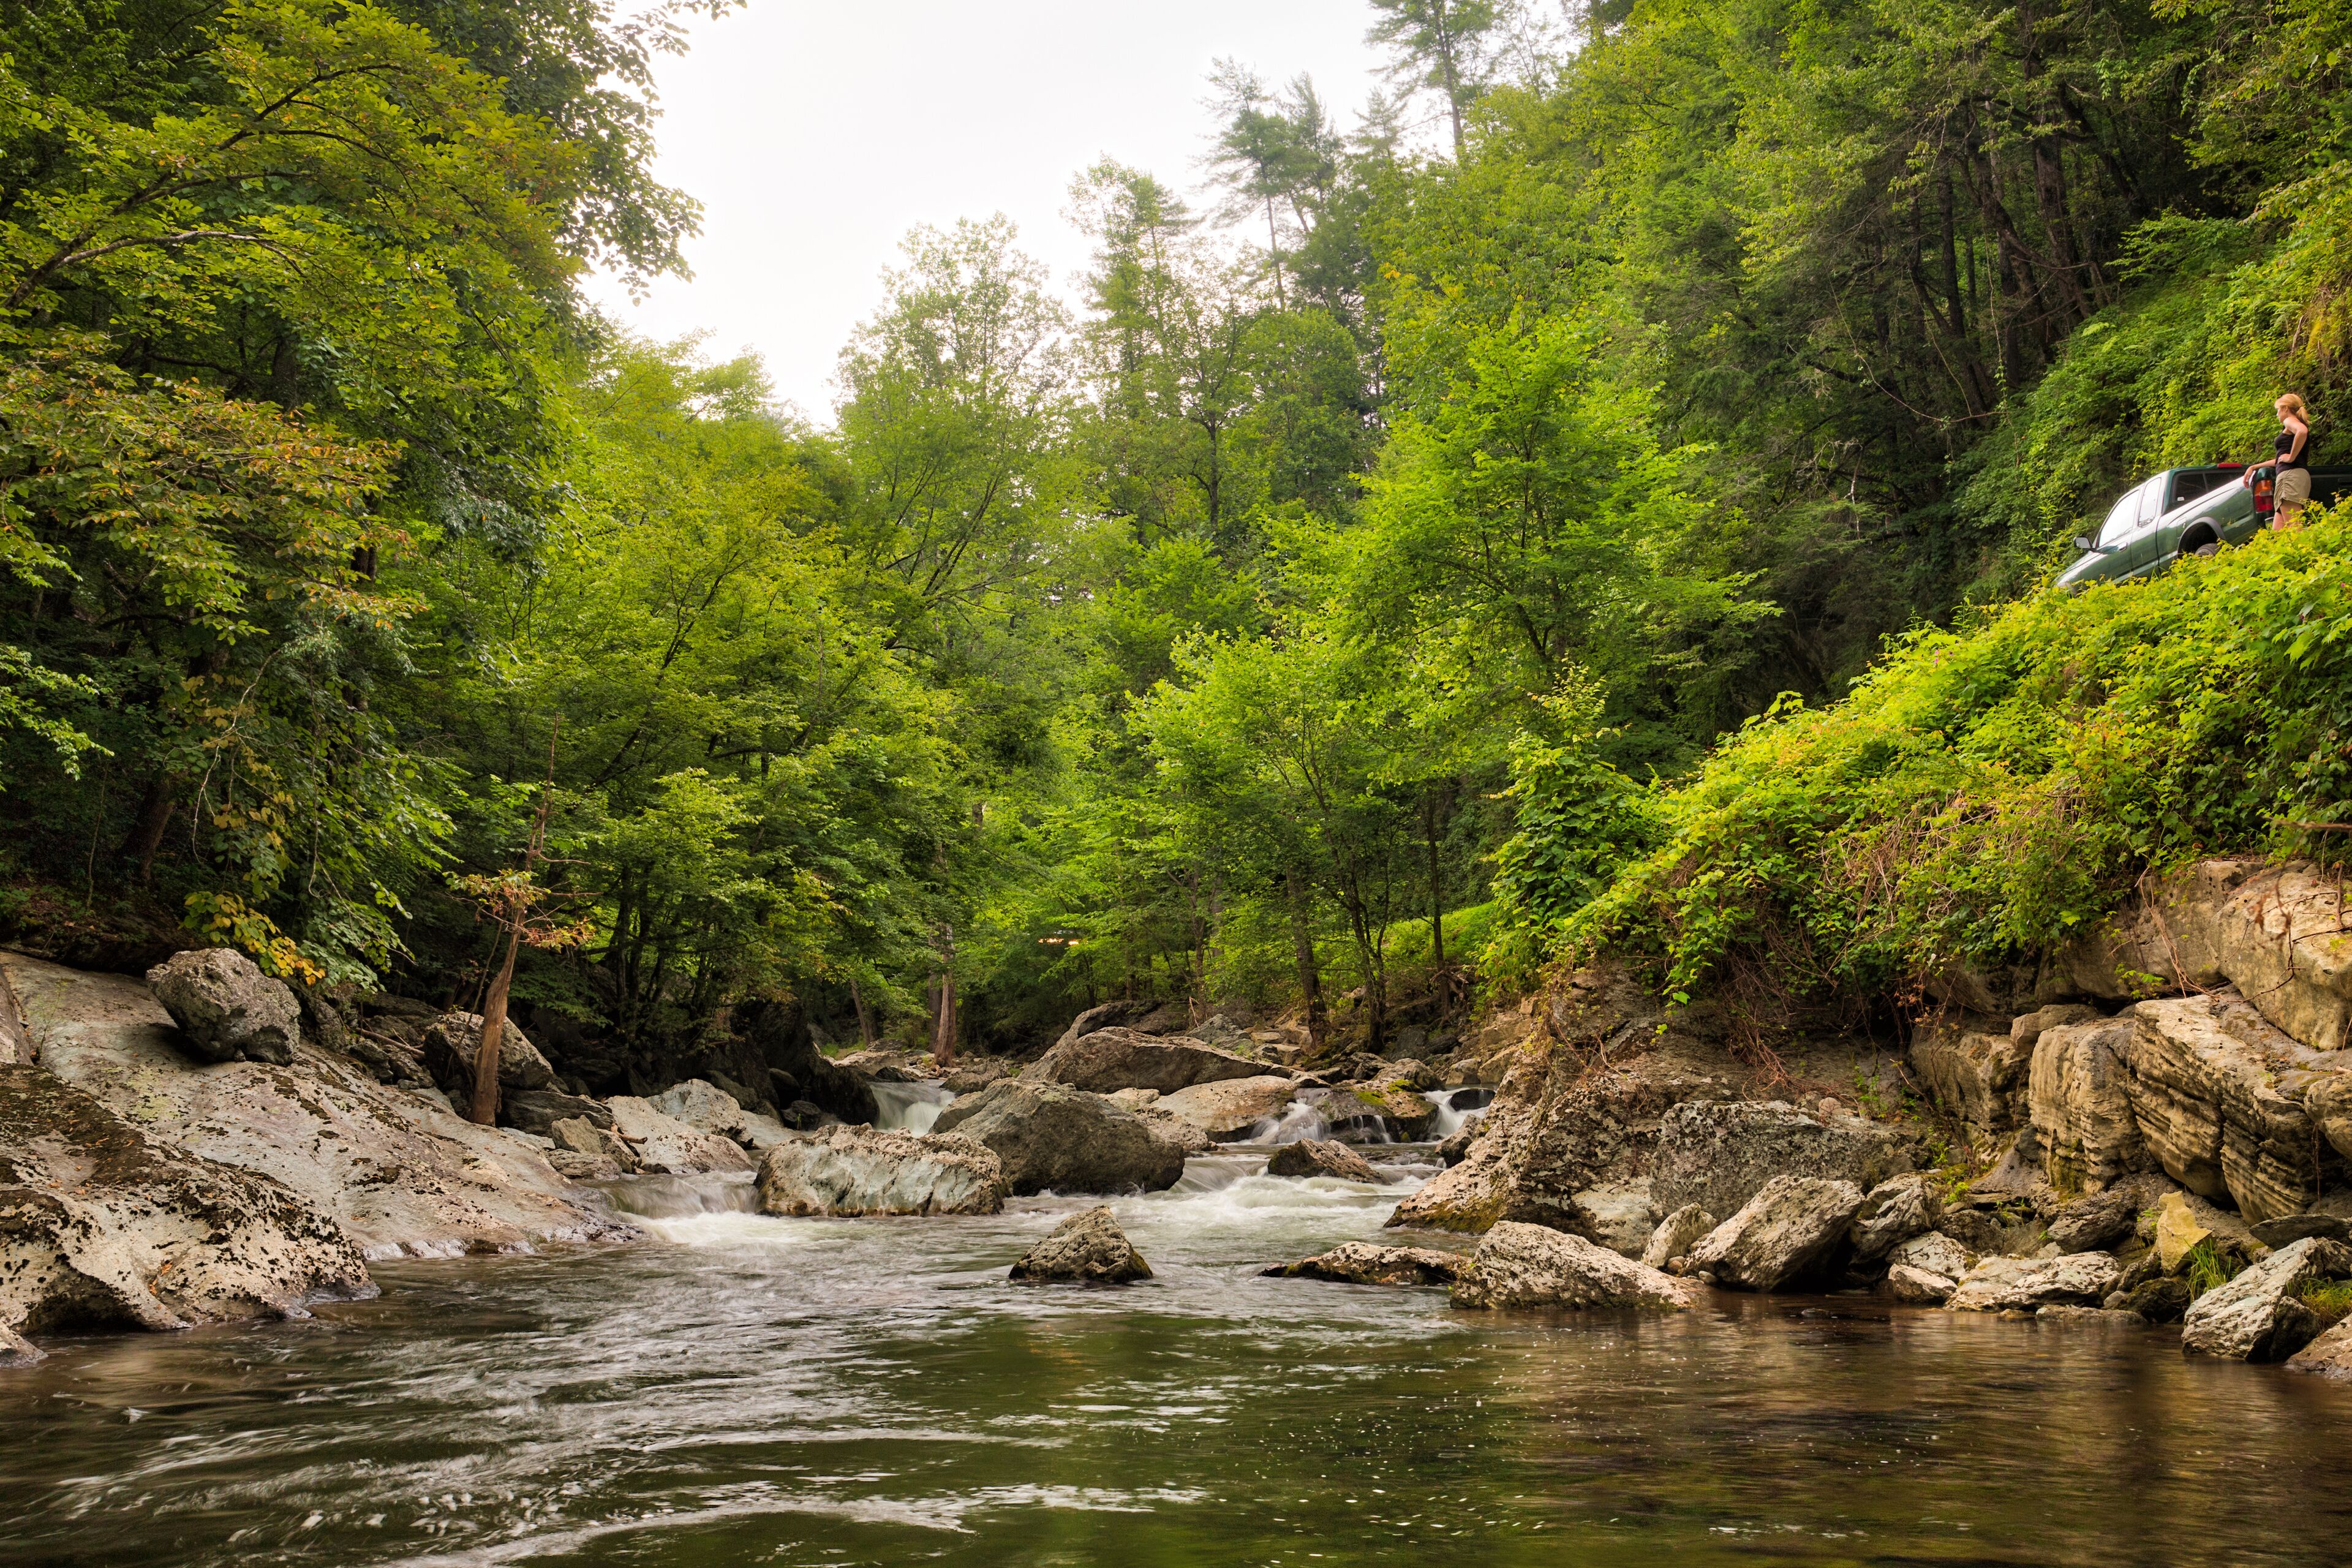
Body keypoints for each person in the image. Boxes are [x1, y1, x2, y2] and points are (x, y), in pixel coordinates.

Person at [2249, 393, 2313, 529]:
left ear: (2285, 408)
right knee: (2279, 533)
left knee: (2294, 528)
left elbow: (2302, 431)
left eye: (2278, 410)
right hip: (2290, 476)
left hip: (2290, 477)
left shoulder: (2289, 420)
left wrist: (2291, 457)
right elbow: (2280, 460)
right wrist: (2254, 467)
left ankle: (2307, 550)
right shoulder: (2291, 425)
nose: (2277, 414)